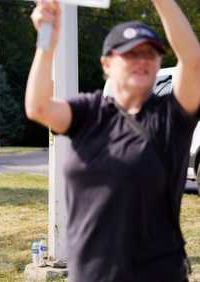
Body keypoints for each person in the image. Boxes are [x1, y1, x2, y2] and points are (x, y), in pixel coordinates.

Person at [25, 1, 200, 281]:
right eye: (130, 54)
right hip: (90, 274)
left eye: (150, 53)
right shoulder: (90, 111)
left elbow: (192, 62)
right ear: (106, 63)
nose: (141, 60)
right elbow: (39, 107)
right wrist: (47, 40)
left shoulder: (170, 118)